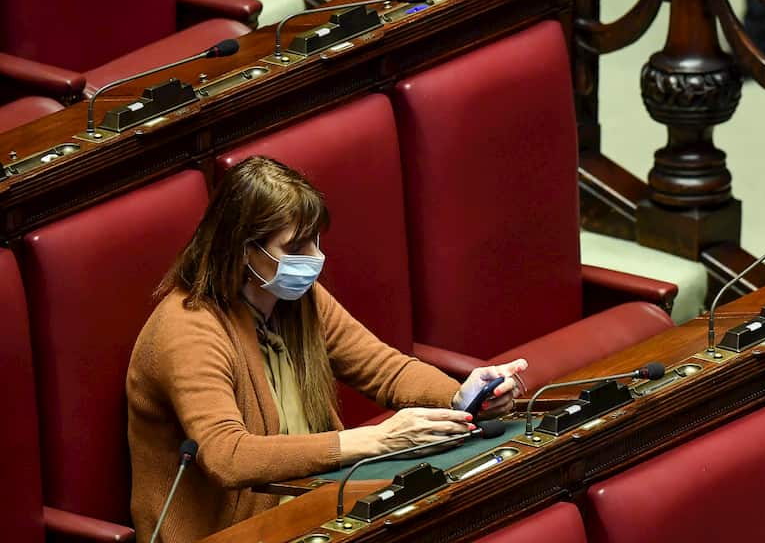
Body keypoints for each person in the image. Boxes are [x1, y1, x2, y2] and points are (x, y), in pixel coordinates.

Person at [127, 156, 528, 542]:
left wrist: (460, 395)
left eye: (315, 241)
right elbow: (227, 456)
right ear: (243, 250)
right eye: (296, 247)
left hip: (315, 507)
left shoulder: (297, 301)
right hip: (233, 533)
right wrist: (377, 440)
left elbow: (384, 369)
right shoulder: (188, 327)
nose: (315, 259)